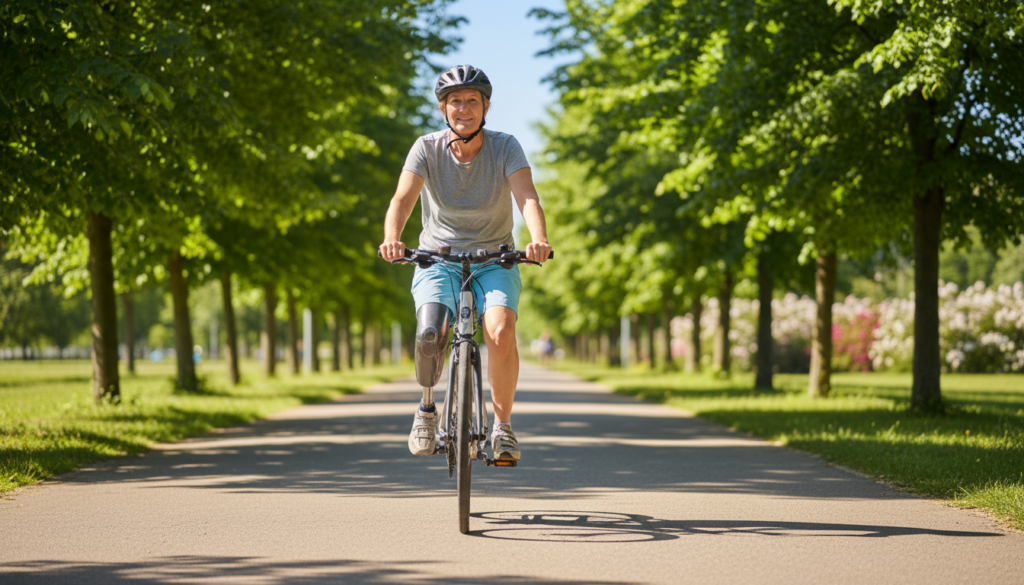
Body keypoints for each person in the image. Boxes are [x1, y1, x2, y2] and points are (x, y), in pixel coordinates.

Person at [379, 65, 551, 462]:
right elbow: (402, 199)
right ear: (444, 109)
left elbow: (526, 196)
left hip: (494, 257)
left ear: (485, 107)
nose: (464, 108)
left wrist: (537, 238)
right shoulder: (426, 147)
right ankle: (426, 408)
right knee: (429, 332)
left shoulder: (505, 146)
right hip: (437, 258)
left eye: (472, 100)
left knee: (501, 331)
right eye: (455, 101)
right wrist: (393, 238)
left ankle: (502, 427)